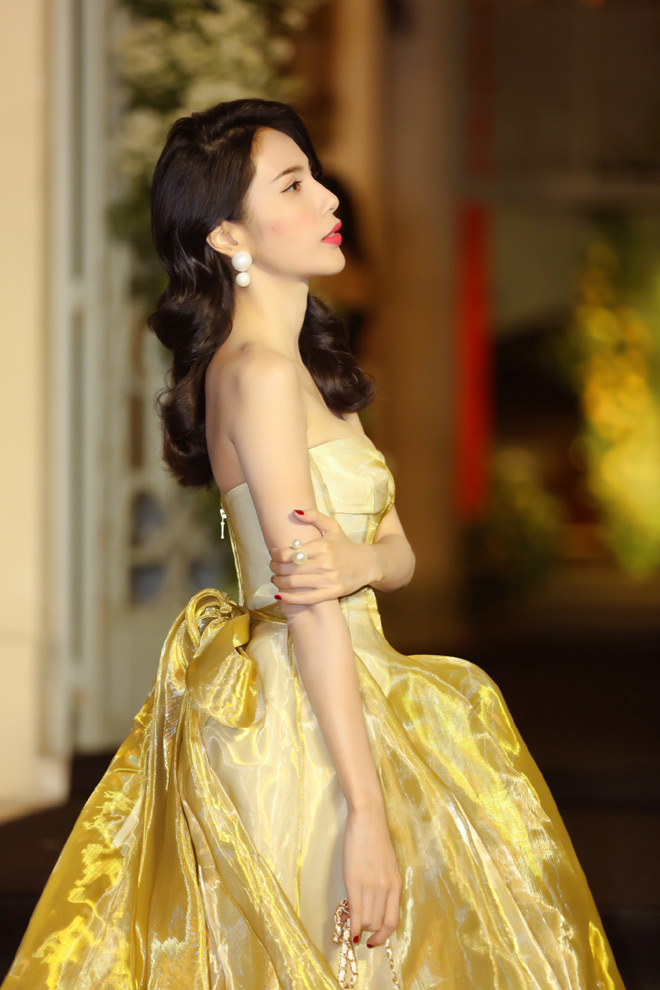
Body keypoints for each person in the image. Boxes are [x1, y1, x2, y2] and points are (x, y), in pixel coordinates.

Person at [1, 98, 625, 990]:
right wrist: (365, 813)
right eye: (294, 184)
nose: (330, 198)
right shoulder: (255, 374)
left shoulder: (311, 370)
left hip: (356, 682)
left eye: (315, 176)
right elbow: (310, 608)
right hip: (303, 718)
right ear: (227, 234)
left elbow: (397, 554)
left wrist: (361, 561)